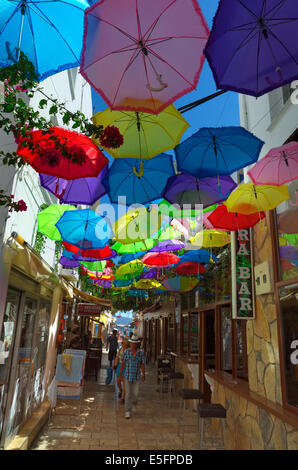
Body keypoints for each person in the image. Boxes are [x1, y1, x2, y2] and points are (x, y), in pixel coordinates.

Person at [120, 334, 145, 419]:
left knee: (135, 393)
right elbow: (122, 363)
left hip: (137, 377)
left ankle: (134, 403)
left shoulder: (140, 353)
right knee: (128, 394)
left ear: (137, 344)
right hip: (127, 376)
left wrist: (143, 374)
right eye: (132, 343)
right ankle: (127, 411)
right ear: (130, 344)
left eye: (134, 343)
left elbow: (142, 364)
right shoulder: (126, 352)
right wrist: (120, 375)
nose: (133, 345)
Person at [114, 337, 129, 401]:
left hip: (126, 367)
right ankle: (121, 391)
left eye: (123, 343)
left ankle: (123, 397)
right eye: (122, 343)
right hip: (120, 366)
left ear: (126, 344)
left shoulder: (129, 351)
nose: (122, 344)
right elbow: (117, 357)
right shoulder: (120, 350)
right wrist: (115, 365)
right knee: (118, 382)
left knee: (125, 382)